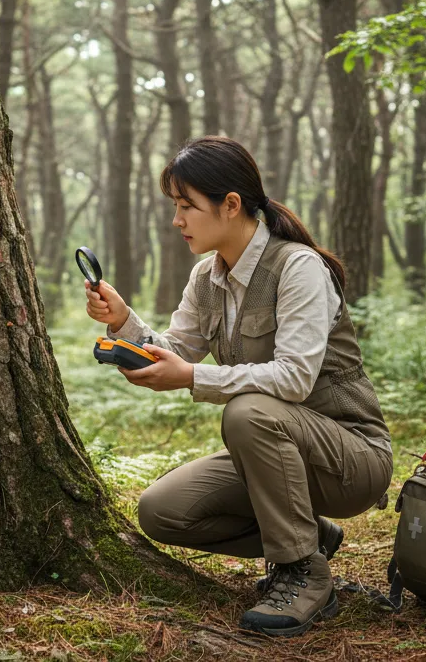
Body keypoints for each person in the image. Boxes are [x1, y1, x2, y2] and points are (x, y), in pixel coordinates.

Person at [84, 136, 393, 637]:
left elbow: (293, 378)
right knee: (163, 512)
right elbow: (178, 349)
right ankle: (311, 537)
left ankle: (303, 573)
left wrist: (192, 377)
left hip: (352, 458)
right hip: (275, 454)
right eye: (175, 206)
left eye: (186, 206)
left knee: (248, 411)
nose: (177, 220)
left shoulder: (298, 267)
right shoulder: (207, 276)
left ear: (230, 205)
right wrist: (123, 323)